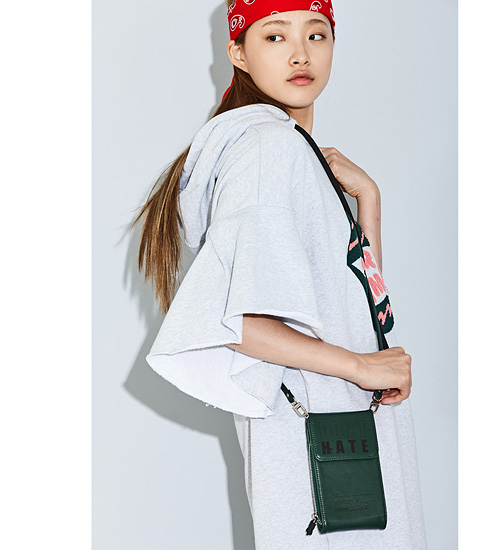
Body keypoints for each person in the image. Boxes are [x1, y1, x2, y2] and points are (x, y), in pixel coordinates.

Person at [133, 1, 427, 548]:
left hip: (341, 432)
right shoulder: (269, 150)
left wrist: (368, 201)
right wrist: (359, 366)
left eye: (316, 35)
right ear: (238, 53)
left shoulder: (291, 152)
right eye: (274, 37)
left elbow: (360, 304)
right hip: (322, 445)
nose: (300, 54)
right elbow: (234, 321)